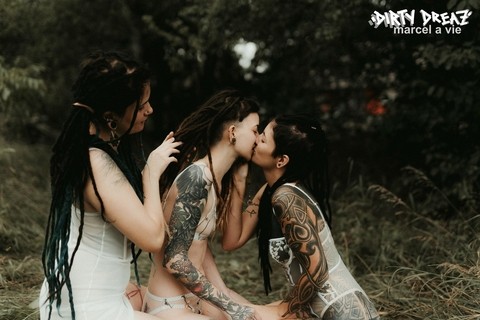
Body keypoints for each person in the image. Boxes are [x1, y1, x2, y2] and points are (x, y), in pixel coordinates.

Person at [39, 50, 181, 320]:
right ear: (110, 117)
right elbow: (152, 238)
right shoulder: (96, 163)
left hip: (86, 296)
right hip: (86, 309)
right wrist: (150, 174)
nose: (150, 110)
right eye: (141, 106)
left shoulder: (91, 151)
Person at [222, 114, 380, 319]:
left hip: (342, 311)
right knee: (234, 313)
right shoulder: (270, 191)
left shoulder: (286, 198)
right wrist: (239, 182)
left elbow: (317, 271)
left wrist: (284, 311)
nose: (255, 139)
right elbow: (231, 241)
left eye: (262, 139)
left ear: (281, 160)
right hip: (317, 308)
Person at [143, 89, 261, 320]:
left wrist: (226, 296)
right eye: (256, 131)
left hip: (195, 301)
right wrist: (231, 306)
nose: (259, 138)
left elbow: (201, 248)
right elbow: (175, 260)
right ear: (233, 132)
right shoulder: (197, 178)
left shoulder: (213, 180)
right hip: (169, 305)